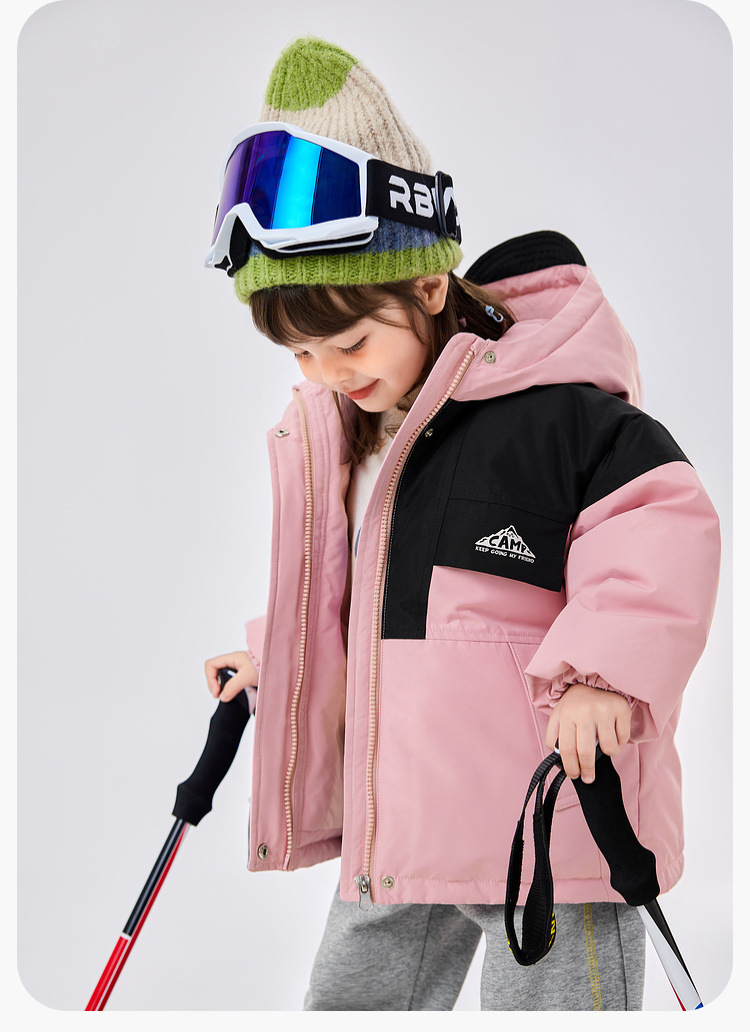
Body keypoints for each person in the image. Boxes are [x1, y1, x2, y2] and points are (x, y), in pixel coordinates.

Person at [202, 36, 721, 1011]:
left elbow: (659, 530)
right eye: (304, 355)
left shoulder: (557, 414)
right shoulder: (359, 439)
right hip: (401, 828)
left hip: (550, 828)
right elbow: (369, 599)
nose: (329, 374)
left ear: (428, 288)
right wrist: (280, 659)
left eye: (350, 342)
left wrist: (602, 674)